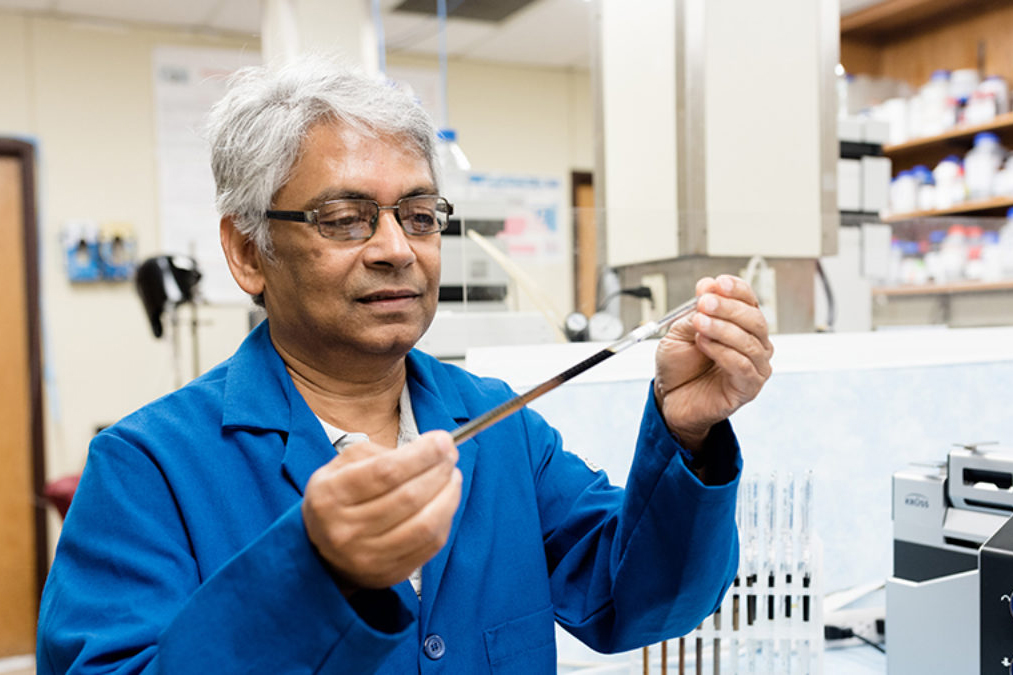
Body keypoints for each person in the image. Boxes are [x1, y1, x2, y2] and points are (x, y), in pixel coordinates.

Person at [37, 56, 773, 674]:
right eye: (345, 217)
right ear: (246, 251)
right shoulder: (147, 468)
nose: (396, 247)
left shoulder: (498, 425)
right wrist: (314, 572)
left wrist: (687, 436)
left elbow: (639, 599)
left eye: (419, 215)